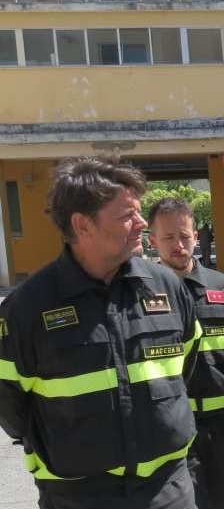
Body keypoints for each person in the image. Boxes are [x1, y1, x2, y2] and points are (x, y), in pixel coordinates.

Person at [0, 157, 201, 509]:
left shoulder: (166, 286)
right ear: (82, 225)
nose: (141, 223)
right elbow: (10, 406)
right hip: (79, 497)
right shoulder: (28, 307)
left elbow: (188, 362)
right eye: (127, 215)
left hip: (168, 489)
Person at [147, 198, 224, 509]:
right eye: (168, 238)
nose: (179, 245)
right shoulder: (142, 294)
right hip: (171, 422)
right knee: (183, 499)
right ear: (152, 241)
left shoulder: (223, 287)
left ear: (196, 235)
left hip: (222, 425)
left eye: (185, 236)